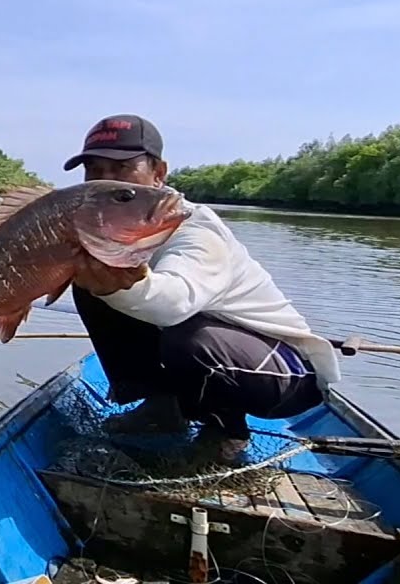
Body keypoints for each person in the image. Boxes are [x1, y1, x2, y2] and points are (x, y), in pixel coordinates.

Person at [60, 114, 342, 462]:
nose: (104, 182)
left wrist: (120, 287)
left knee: (189, 336)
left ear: (159, 173)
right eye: (94, 170)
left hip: (286, 374)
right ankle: (162, 408)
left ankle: (226, 432)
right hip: (219, 351)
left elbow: (174, 303)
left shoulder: (197, 228)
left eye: (121, 170)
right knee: (92, 289)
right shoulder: (108, 233)